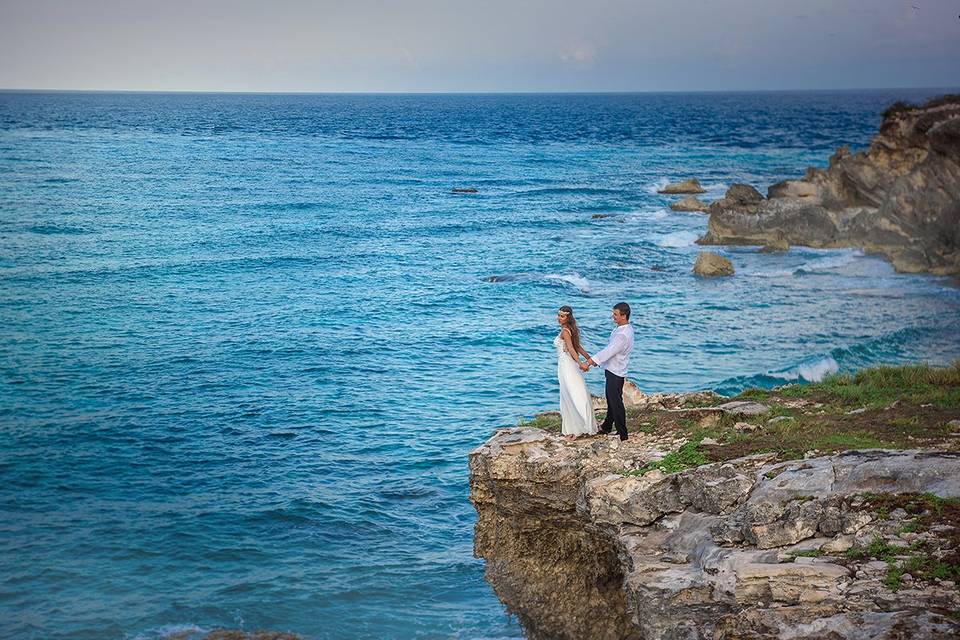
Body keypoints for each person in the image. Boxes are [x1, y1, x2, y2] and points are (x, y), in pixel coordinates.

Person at [581, 302, 634, 441]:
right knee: (612, 401)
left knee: (615, 403)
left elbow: (608, 351)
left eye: (616, 314)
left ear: (624, 316)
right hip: (614, 369)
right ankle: (606, 426)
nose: (613, 316)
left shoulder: (622, 335)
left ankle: (623, 434)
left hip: (615, 372)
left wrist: (590, 362)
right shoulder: (624, 329)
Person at [554, 306, 598, 439]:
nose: (559, 318)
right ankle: (578, 426)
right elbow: (578, 346)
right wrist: (589, 358)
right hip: (566, 365)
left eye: (562, 316)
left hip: (567, 366)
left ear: (568, 318)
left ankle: (576, 428)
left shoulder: (565, 331)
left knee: (570, 394)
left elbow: (573, 349)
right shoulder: (570, 329)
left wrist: (581, 363)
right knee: (573, 392)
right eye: (558, 315)